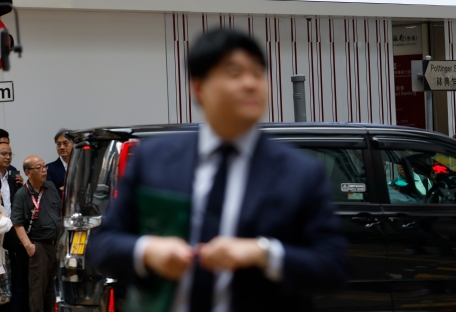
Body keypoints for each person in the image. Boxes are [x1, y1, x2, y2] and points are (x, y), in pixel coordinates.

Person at [87, 28, 348, 312]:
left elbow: (333, 266)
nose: (250, 84)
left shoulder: (300, 172)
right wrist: (148, 250)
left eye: (258, 73)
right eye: (234, 73)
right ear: (199, 87)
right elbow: (103, 245)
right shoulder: (154, 159)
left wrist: (263, 252)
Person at [10, 157, 60, 312]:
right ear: (28, 172)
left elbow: (59, 211)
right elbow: (17, 223)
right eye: (39, 167)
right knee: (37, 290)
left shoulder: (50, 187)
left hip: (56, 244)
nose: (44, 170)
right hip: (39, 246)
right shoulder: (22, 194)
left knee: (53, 289)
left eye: (44, 166)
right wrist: (29, 246)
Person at [0, 143, 27, 312]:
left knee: (16, 275)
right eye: (4, 154)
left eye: (10, 154)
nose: (8, 157)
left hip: (13, 231)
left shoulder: (13, 178)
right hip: (0, 233)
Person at [46, 130, 73, 196]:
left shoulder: (83, 166)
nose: (61, 147)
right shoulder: (49, 168)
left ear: (74, 144)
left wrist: (62, 189)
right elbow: (50, 194)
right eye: (58, 144)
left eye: (65, 143)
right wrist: (70, 189)